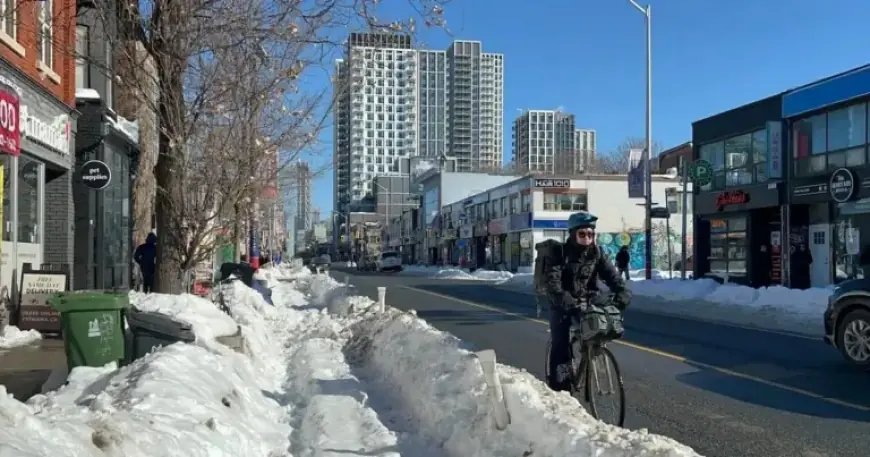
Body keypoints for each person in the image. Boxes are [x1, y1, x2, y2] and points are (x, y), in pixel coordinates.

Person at [544, 211, 632, 393]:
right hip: (562, 302)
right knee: (561, 341)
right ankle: (559, 385)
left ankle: (588, 354)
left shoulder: (596, 253)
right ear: (573, 234)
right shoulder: (559, 253)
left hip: (588, 299)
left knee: (601, 326)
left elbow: (613, 277)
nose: (587, 238)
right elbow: (552, 282)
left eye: (590, 234)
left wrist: (622, 292)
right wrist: (564, 299)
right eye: (582, 234)